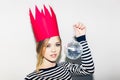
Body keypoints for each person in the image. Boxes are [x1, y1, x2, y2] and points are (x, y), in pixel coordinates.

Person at [25, 5, 95, 80]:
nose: (54, 50)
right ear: (39, 48)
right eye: (48, 45)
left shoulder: (65, 66)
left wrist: (81, 38)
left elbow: (89, 69)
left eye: (57, 44)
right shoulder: (32, 78)